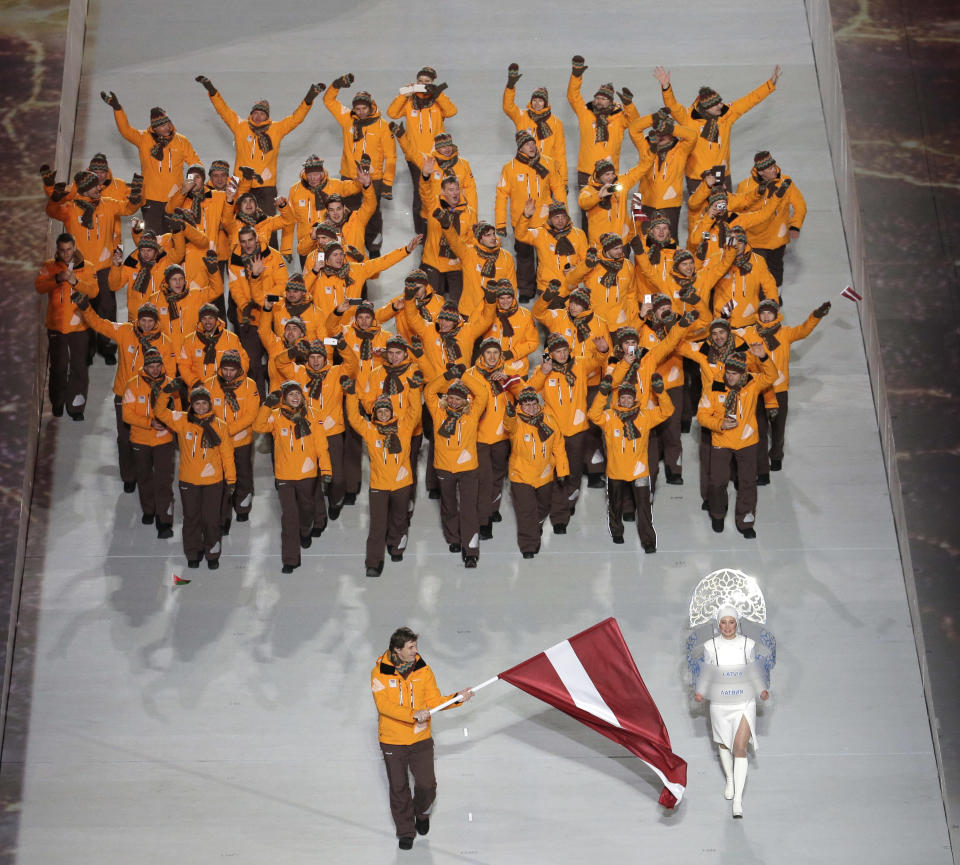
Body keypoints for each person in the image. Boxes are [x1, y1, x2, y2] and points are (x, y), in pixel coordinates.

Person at [371, 627, 473, 850]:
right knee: (398, 787)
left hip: (420, 738)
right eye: (411, 647)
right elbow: (384, 706)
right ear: (397, 650)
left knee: (427, 785)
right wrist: (412, 715)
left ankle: (422, 813)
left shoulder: (423, 670)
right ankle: (406, 831)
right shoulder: (379, 672)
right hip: (392, 740)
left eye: (416, 646)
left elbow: (434, 700)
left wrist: (457, 698)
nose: (415, 651)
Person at [196, 75, 323, 229]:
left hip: (265, 185)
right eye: (255, 113)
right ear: (251, 113)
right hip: (239, 182)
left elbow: (296, 118)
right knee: (233, 221)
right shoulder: (240, 126)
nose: (257, 116)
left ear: (267, 116)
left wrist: (309, 98)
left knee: (267, 222)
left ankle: (270, 251)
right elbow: (223, 110)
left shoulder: (276, 129)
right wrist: (211, 88)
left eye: (262, 114)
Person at [653, 65, 781, 193]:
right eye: (716, 104)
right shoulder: (688, 119)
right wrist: (666, 88)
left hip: (722, 175)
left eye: (720, 102)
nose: (721, 105)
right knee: (700, 211)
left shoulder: (726, 115)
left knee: (725, 209)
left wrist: (770, 84)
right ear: (706, 107)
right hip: (697, 177)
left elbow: (750, 100)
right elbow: (673, 106)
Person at [694, 605, 769, 818]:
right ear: (719, 625)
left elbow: (753, 670)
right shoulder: (710, 646)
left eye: (732, 622)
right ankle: (729, 778)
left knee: (740, 747)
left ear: (737, 623)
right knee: (724, 743)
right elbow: (707, 673)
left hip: (744, 702)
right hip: (720, 702)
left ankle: (738, 799)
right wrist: (700, 692)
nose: (728, 626)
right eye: (724, 622)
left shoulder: (748, 644)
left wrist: (761, 689)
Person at [696, 345, 778, 537]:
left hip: (747, 442)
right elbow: (702, 415)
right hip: (722, 440)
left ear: (743, 374)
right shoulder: (714, 387)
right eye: (728, 373)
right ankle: (717, 514)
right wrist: (719, 423)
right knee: (717, 482)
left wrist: (764, 357)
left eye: (735, 373)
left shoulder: (753, 384)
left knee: (748, 482)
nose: (730, 377)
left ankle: (746, 521)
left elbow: (772, 376)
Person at [253, 381, 332, 574]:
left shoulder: (313, 414)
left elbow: (321, 445)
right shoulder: (276, 416)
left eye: (297, 393)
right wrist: (266, 406)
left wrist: (326, 470)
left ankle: (305, 529)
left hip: (307, 474)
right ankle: (290, 559)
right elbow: (258, 426)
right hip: (285, 476)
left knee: (307, 509)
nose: (295, 397)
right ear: (284, 398)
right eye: (290, 395)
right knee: (289, 517)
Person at [154, 385, 236, 569]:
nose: (200, 407)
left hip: (213, 482)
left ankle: (212, 553)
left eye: (203, 403)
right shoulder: (182, 420)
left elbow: (227, 455)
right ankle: (193, 552)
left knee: (212, 519)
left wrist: (231, 480)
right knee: (191, 518)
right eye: (197, 403)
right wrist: (166, 392)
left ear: (209, 404)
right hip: (188, 481)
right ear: (191, 404)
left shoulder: (220, 425)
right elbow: (159, 411)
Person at [346, 382, 422, 577]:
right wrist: (351, 394)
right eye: (379, 412)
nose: (383, 414)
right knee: (377, 525)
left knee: (399, 518)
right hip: (379, 485)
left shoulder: (404, 427)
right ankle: (373, 561)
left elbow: (415, 411)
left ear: (391, 411)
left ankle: (396, 547)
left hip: (401, 483)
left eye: (386, 411)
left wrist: (413, 389)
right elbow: (354, 417)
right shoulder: (370, 430)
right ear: (375, 414)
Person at [99, 94, 200, 233]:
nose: (167, 128)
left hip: (176, 198)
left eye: (167, 123)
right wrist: (117, 109)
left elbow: (195, 164)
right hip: (151, 199)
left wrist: (190, 183)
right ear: (154, 128)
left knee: (175, 238)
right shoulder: (143, 139)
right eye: (162, 125)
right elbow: (126, 131)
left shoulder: (182, 141)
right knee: (154, 239)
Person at [323, 74, 396, 258]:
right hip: (349, 177)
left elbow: (391, 156)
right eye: (358, 108)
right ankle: (349, 246)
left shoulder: (382, 126)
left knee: (372, 213)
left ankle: (373, 247)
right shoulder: (348, 119)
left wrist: (387, 183)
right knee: (347, 213)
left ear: (371, 107)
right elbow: (328, 100)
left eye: (364, 108)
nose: (361, 111)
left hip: (375, 178)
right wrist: (337, 84)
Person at [387, 66, 457, 235]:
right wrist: (404, 94)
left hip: (438, 158)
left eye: (427, 81)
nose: (423, 84)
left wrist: (438, 93)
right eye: (420, 81)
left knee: (441, 192)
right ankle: (422, 235)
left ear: (433, 83)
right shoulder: (409, 102)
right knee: (420, 196)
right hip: (415, 158)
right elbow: (392, 113)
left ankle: (444, 230)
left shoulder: (438, 102)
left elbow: (452, 111)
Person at [495, 130, 564, 299]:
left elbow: (559, 188)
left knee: (547, 257)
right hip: (522, 221)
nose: (532, 146)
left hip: (545, 220)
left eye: (533, 143)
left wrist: (562, 213)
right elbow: (501, 197)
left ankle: (546, 288)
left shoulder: (548, 163)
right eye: (527, 144)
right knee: (524, 258)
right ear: (520, 148)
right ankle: (526, 290)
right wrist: (500, 223)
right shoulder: (509, 168)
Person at [121, 347, 182, 537]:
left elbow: (178, 412)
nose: (155, 370)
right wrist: (149, 422)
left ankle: (164, 521)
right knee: (144, 477)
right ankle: (149, 509)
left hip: (164, 440)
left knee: (164, 481)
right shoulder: (133, 385)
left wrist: (168, 423)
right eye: (151, 366)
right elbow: (126, 414)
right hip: (140, 439)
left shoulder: (171, 385)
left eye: (158, 366)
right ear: (145, 366)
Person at [35, 233, 96, 420]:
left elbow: (94, 291)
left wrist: (75, 281)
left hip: (80, 327)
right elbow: (39, 287)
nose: (66, 253)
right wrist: (57, 279)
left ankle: (76, 408)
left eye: (69, 249)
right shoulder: (49, 266)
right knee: (58, 367)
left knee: (79, 368)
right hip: (57, 326)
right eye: (62, 250)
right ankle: (58, 402)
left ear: (74, 247)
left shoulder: (87, 267)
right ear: (57, 249)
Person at [503, 387, 569, 558]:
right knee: (526, 512)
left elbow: (558, 447)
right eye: (526, 404)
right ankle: (528, 546)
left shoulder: (549, 420)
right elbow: (508, 426)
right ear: (521, 406)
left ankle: (536, 525)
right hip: (521, 475)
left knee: (543, 506)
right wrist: (509, 415)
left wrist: (562, 470)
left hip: (545, 474)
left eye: (533, 404)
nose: (531, 408)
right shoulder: (516, 421)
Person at [735, 150, 807, 288]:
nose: (774, 170)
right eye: (770, 168)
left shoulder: (786, 182)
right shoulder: (745, 186)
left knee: (776, 274)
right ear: (760, 172)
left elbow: (800, 205)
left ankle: (773, 302)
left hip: (777, 239)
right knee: (755, 275)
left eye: (774, 166)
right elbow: (737, 212)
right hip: (754, 240)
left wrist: (795, 226)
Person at [502, 66, 567, 190]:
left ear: (546, 103)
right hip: (524, 166)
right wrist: (510, 85)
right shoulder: (522, 116)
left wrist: (563, 179)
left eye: (540, 101)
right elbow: (508, 106)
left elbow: (560, 153)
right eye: (534, 100)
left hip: (546, 170)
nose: (537, 103)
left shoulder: (556, 123)